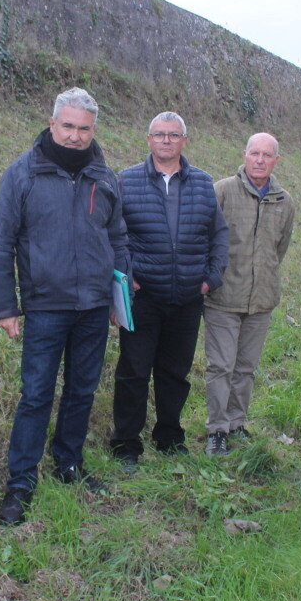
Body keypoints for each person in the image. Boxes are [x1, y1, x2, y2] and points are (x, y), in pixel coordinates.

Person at [0, 87, 130, 524]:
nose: (74, 135)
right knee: (36, 394)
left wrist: (119, 299)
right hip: (46, 306)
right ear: (52, 124)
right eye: (67, 125)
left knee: (82, 390)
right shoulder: (22, 174)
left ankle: (69, 463)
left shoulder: (104, 176)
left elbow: (118, 238)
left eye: (84, 128)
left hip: (93, 307)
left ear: (93, 130)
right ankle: (21, 482)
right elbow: (0, 242)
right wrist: (5, 306)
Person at [109, 112, 229, 467]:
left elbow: (219, 233)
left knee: (175, 373)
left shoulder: (203, 183)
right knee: (133, 371)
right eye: (159, 134)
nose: (166, 140)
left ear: (184, 141)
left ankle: (169, 437)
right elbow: (114, 233)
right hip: (143, 296)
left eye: (173, 135)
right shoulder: (126, 180)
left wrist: (211, 277)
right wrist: (127, 275)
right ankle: (126, 444)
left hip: (188, 298)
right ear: (149, 139)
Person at [202, 133, 296, 455]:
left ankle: (236, 423)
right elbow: (206, 239)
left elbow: (279, 249)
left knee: (245, 368)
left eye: (267, 155)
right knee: (221, 366)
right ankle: (216, 430)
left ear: (276, 160)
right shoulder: (222, 191)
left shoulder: (285, 202)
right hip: (223, 298)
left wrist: (262, 278)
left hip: (261, 301)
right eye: (254, 153)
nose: (259, 160)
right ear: (244, 155)